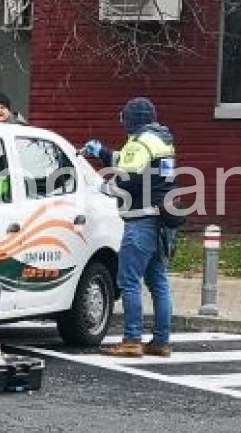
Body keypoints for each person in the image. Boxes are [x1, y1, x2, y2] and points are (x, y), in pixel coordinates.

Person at [82, 97, 179, 358]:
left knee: (128, 280)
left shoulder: (140, 141)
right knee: (158, 280)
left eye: (124, 117)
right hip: (162, 221)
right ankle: (161, 341)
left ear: (132, 119)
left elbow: (128, 179)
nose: (122, 121)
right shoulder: (161, 139)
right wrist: (102, 152)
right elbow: (129, 161)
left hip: (142, 220)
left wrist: (102, 187)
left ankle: (132, 340)